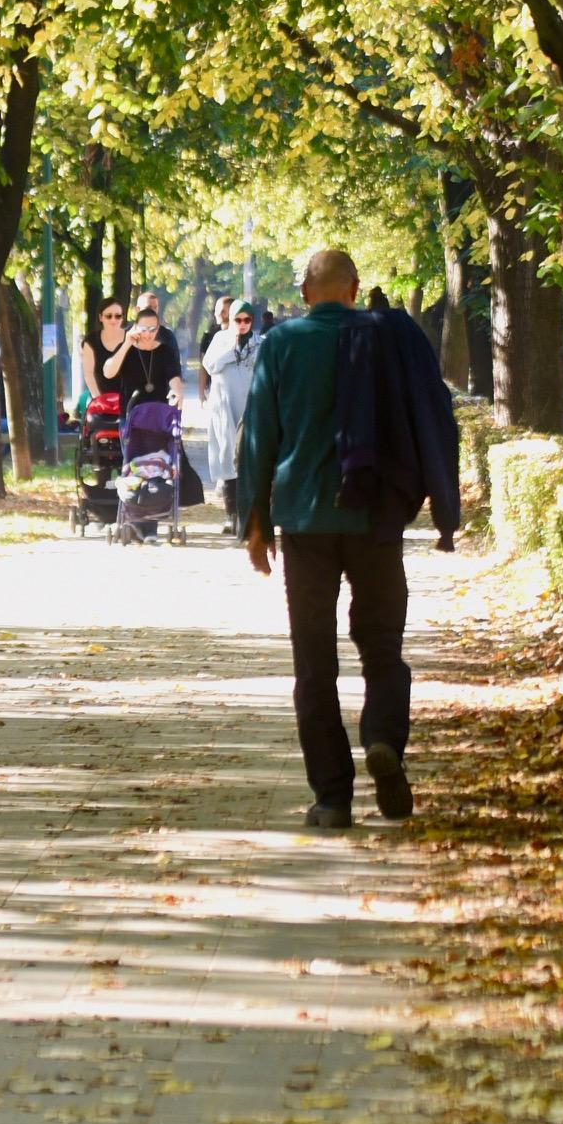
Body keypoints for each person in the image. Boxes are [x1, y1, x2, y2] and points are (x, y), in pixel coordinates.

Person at [240, 247, 448, 830]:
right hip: (374, 519)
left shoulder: (280, 345)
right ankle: (382, 737)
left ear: (305, 293)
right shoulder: (386, 340)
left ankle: (332, 798)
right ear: (354, 289)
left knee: (314, 662)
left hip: (305, 522)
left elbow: (259, 435)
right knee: (383, 646)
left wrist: (254, 521)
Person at [203, 300, 262, 534]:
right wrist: (232, 351)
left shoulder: (260, 343)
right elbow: (210, 365)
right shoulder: (220, 340)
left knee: (250, 459)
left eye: (247, 320)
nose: (243, 324)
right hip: (224, 408)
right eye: (238, 320)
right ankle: (230, 515)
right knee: (228, 458)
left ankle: (251, 515)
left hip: (249, 407)